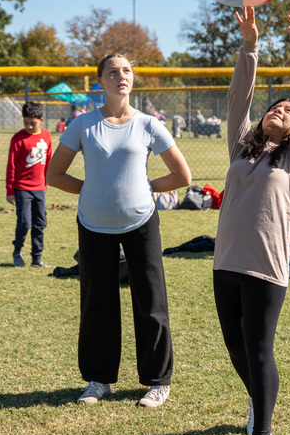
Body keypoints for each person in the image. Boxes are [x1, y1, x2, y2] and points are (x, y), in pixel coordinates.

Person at [46, 53, 192, 409]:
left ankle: (158, 381)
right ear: (100, 81)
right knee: (98, 303)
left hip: (141, 222)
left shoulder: (149, 124)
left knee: (151, 303)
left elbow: (182, 177)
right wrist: (92, 188)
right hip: (93, 225)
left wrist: (143, 186)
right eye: (112, 72)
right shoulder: (82, 125)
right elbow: (54, 175)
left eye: (126, 71)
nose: (120, 76)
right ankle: (99, 380)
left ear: (133, 79)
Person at [213, 7, 290, 435]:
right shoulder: (242, 149)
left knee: (258, 349)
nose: (281, 109)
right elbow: (239, 98)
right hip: (225, 263)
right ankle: (260, 403)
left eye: (288, 111)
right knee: (236, 349)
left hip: (265, 268)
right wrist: (249, 46)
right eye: (276, 106)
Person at [6, 101, 53, 268]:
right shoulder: (18, 139)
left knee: (40, 223)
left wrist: (46, 180)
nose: (28, 126)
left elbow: (48, 161)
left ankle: (36, 259)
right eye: (25, 122)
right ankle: (17, 251)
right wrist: (10, 190)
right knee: (25, 222)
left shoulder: (46, 136)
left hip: (39, 188)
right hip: (22, 188)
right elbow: (11, 166)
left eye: (32, 123)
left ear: (41, 120)